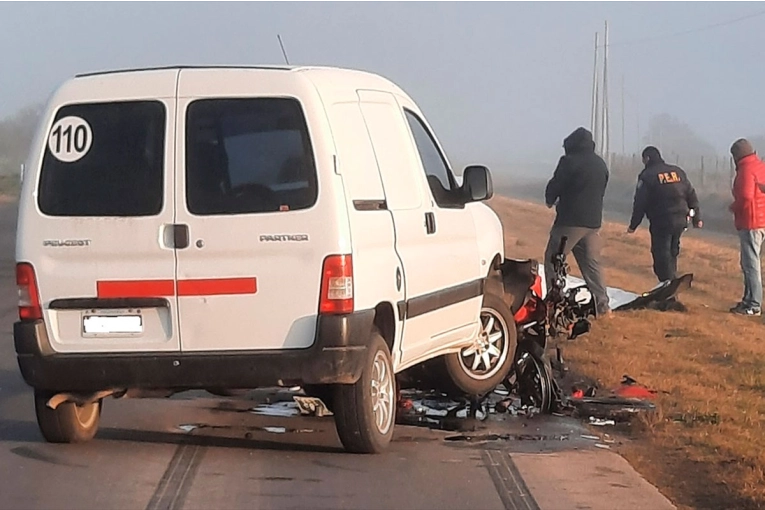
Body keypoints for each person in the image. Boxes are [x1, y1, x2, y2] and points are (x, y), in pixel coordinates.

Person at [544, 127, 611, 318]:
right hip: (593, 222)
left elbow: (557, 184)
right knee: (592, 263)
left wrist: (550, 199)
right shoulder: (600, 163)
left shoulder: (569, 161)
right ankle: (603, 307)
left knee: (553, 260)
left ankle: (553, 305)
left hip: (570, 222)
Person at [627, 146, 702, 283]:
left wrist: (633, 225)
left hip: (661, 220)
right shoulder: (677, 172)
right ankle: (672, 279)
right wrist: (697, 217)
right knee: (673, 251)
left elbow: (640, 202)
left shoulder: (647, 175)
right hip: (681, 218)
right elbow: (691, 193)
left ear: (647, 158)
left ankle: (667, 285)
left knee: (661, 253)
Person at [729, 138, 765, 316]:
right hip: (762, 220)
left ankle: (753, 304)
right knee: (753, 263)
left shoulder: (745, 170)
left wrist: (733, 208)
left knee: (750, 264)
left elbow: (745, 196)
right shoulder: (760, 166)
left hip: (751, 222)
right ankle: (749, 299)